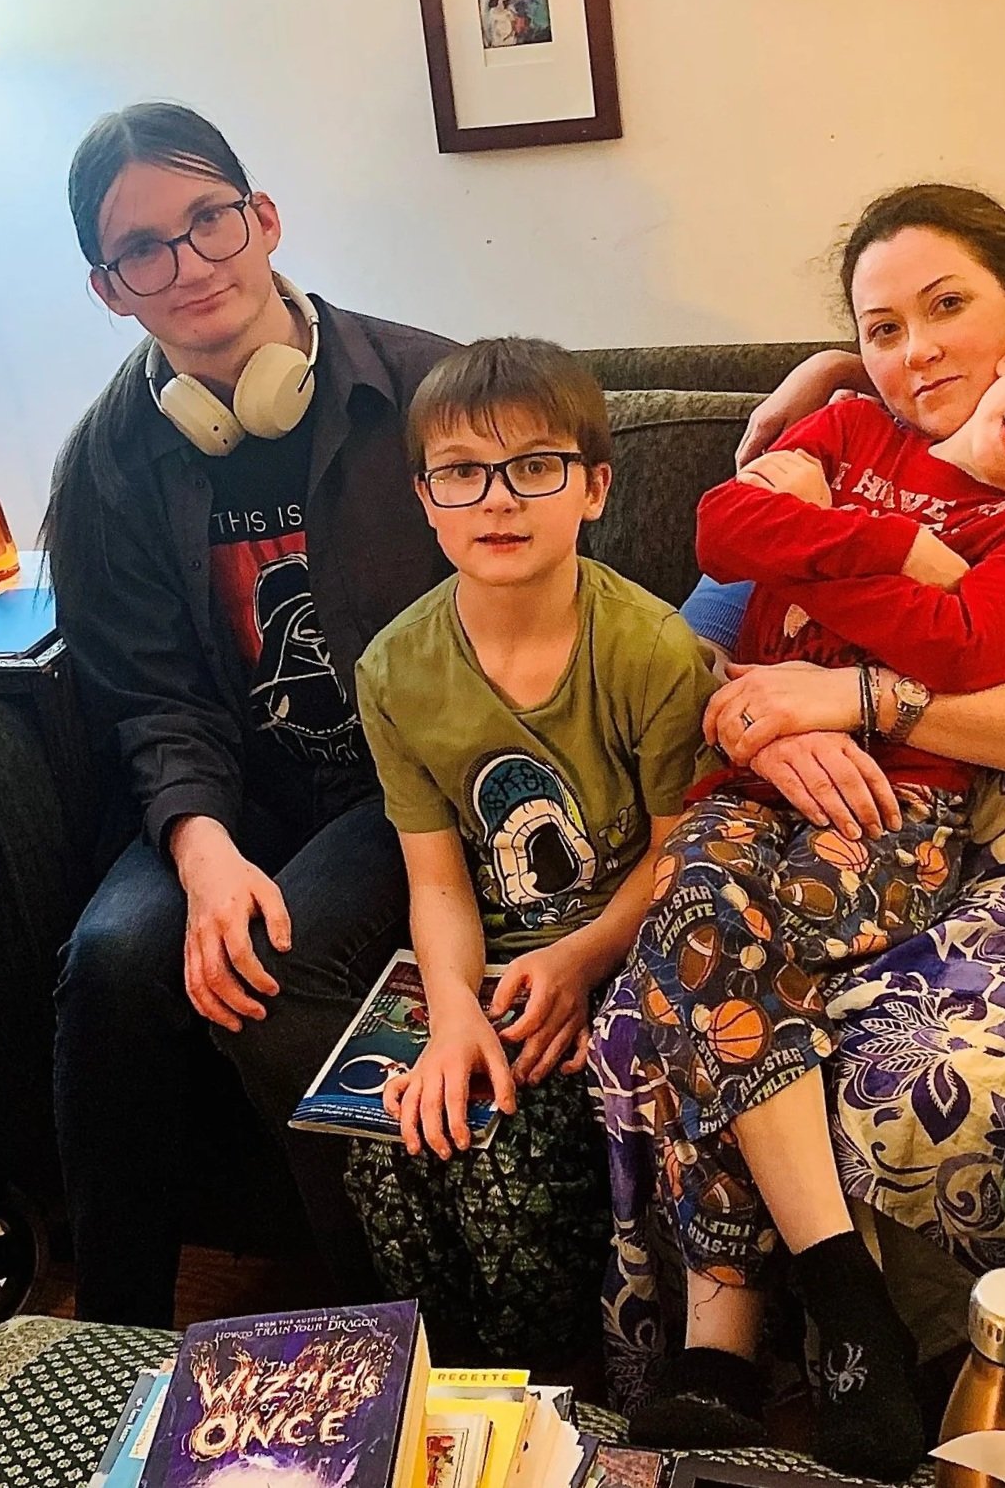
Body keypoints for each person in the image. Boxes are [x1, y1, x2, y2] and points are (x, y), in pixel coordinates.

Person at [595, 185, 1005, 1445]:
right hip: (766, 787)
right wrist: (873, 540)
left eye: (949, 306)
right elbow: (725, 558)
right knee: (679, 948)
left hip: (943, 801)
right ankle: (796, 1332)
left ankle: (796, 1346)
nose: (921, 350)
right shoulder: (855, 424)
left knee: (754, 980)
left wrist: (837, 652)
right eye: (886, 324)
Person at [47, 102, 456, 1324]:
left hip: (406, 792)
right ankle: (105, 1338)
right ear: (109, 290)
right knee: (112, 959)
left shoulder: (429, 388)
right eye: (142, 251)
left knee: (270, 965)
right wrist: (204, 846)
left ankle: (378, 1338)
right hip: (229, 795)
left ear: (263, 218)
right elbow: (150, 700)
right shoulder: (107, 465)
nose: (189, 265)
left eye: (208, 219)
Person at [346, 338, 717, 1367]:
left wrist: (582, 957)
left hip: (622, 953)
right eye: (464, 471)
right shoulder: (395, 669)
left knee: (510, 1177)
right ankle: (445, 1409)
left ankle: (556, 1405)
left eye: (535, 466)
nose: (498, 499)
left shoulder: (650, 649)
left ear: (594, 486)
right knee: (391, 1154)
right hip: (484, 968)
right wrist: (454, 1010)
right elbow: (436, 876)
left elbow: (680, 853)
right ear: (426, 497)